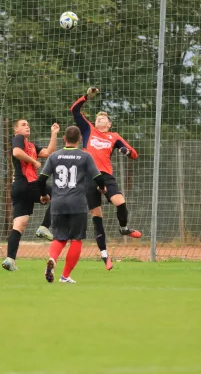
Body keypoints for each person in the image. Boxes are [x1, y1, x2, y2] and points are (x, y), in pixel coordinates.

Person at [70, 87, 140, 271]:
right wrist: (86, 96)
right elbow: (74, 111)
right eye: (98, 118)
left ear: (109, 124)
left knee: (120, 202)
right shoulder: (88, 130)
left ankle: (124, 227)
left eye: (103, 118)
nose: (99, 119)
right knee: (97, 216)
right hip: (89, 177)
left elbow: (134, 154)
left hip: (106, 176)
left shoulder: (114, 136)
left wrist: (126, 151)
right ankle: (104, 256)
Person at [38, 126, 106, 284]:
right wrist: (102, 189)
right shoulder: (85, 156)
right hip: (77, 204)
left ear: (64, 139)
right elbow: (99, 177)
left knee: (59, 238)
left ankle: (52, 259)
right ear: (80, 139)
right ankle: (65, 276)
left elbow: (41, 179)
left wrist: (43, 195)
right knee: (76, 239)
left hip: (58, 203)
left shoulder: (54, 156)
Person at [2, 119, 59, 271]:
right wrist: (34, 161)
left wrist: (53, 134)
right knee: (59, 194)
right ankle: (44, 227)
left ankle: (10, 259)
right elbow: (16, 152)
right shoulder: (18, 139)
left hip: (19, 188)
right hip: (27, 183)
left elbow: (48, 153)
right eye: (23, 125)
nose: (27, 126)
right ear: (16, 130)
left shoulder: (31, 146)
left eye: (28, 125)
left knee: (19, 224)